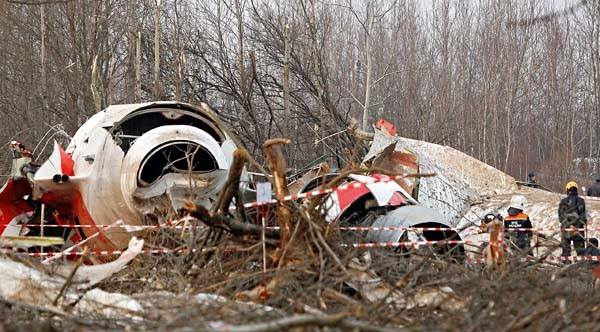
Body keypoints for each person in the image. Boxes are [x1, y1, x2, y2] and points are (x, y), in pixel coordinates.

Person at [558, 181, 587, 257]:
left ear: (567, 190)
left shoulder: (563, 201)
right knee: (581, 253)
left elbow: (561, 217)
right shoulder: (581, 201)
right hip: (578, 230)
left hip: (567, 230)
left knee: (566, 253)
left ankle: (566, 265)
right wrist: (577, 226)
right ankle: (582, 266)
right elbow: (583, 216)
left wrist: (569, 225)